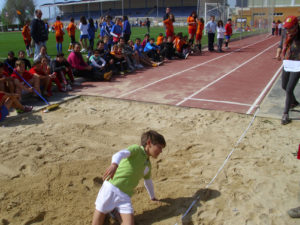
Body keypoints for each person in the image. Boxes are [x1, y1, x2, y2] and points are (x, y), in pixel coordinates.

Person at [91, 130, 166, 225]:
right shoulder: (136, 149)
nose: (161, 151)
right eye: (159, 147)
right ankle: (113, 210)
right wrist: (114, 165)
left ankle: (114, 211)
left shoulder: (148, 165)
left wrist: (152, 197)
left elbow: (148, 181)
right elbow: (119, 154)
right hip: (110, 189)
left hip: (125, 197)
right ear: (149, 143)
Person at [279, 16, 300, 125]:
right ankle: (294, 102)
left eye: (290, 28)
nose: (288, 30)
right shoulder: (285, 33)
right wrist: (278, 53)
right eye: (286, 28)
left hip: (298, 64)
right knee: (284, 86)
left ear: (296, 26)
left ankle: (285, 115)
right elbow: (281, 43)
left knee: (289, 89)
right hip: (287, 62)